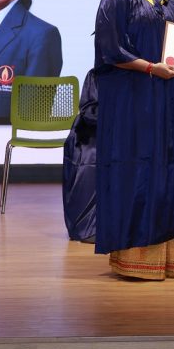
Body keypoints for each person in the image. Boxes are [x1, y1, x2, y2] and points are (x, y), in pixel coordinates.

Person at [93, 0, 174, 280]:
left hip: (170, 98)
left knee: (170, 165)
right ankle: (136, 259)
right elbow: (110, 49)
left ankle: (170, 259)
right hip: (132, 99)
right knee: (138, 165)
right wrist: (152, 68)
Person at [62, 69, 98, 243]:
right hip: (97, 131)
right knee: (89, 152)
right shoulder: (97, 75)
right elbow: (90, 110)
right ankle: (90, 226)